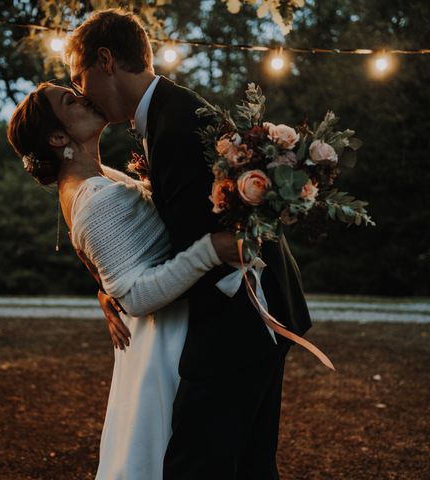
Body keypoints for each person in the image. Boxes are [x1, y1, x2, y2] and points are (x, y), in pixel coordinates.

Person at [64, 9, 313, 479]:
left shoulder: (175, 126)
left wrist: (131, 291)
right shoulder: (168, 113)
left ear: (105, 61)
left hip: (236, 320)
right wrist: (113, 284)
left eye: (80, 77)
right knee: (248, 464)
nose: (82, 92)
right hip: (255, 308)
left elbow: (200, 243)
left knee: (197, 464)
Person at [7, 82, 240, 479]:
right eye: (69, 100)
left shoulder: (97, 177)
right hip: (162, 342)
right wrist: (212, 251)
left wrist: (104, 289)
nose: (83, 95)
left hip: (155, 339)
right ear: (58, 136)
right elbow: (135, 294)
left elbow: (115, 265)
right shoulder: (93, 196)